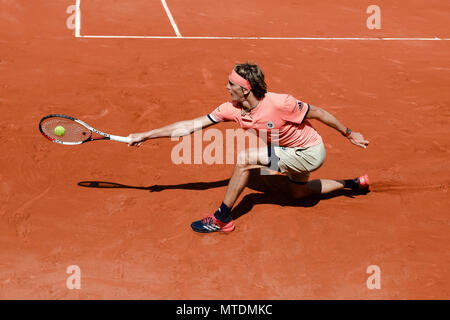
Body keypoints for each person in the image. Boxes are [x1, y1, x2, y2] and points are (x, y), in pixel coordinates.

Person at [127, 62, 370, 233]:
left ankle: (222, 219)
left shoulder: (280, 103)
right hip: (286, 153)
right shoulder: (231, 108)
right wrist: (147, 134)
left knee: (245, 160)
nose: (226, 87)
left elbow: (318, 113)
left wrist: (348, 133)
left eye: (230, 83)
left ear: (245, 89)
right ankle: (352, 184)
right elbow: (191, 125)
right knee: (300, 193)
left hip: (308, 153)